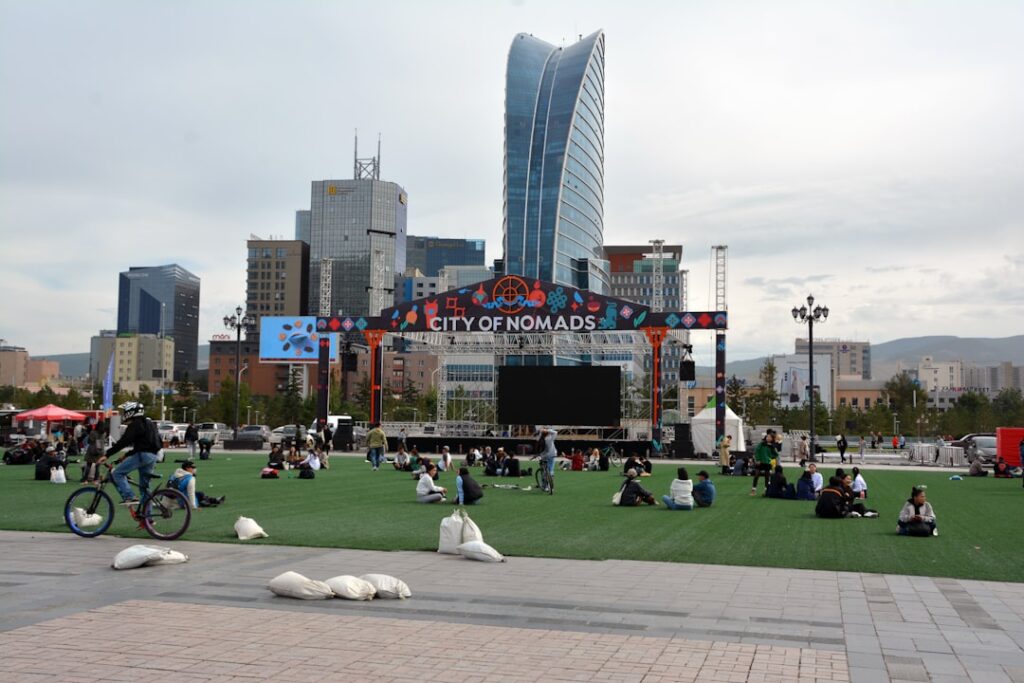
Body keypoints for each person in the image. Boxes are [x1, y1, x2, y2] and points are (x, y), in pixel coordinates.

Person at [105, 401, 162, 505]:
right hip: (153, 456)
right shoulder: (149, 423)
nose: (123, 414)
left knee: (117, 473)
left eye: (125, 411)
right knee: (145, 489)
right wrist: (127, 455)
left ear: (131, 412)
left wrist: (107, 454)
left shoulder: (135, 424)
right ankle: (148, 519)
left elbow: (123, 442)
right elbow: (147, 443)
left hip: (142, 456)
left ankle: (130, 496)